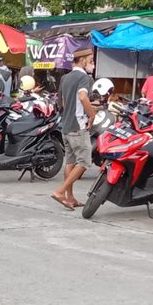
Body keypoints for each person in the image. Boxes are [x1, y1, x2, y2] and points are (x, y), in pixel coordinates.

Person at [51, 48, 96, 210]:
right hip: (78, 126)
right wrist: (92, 115)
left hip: (66, 125)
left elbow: (61, 101)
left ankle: (70, 198)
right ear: (82, 60)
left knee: (70, 162)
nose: (93, 64)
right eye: (90, 60)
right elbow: (83, 97)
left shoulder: (66, 77)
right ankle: (60, 191)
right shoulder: (83, 77)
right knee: (84, 163)